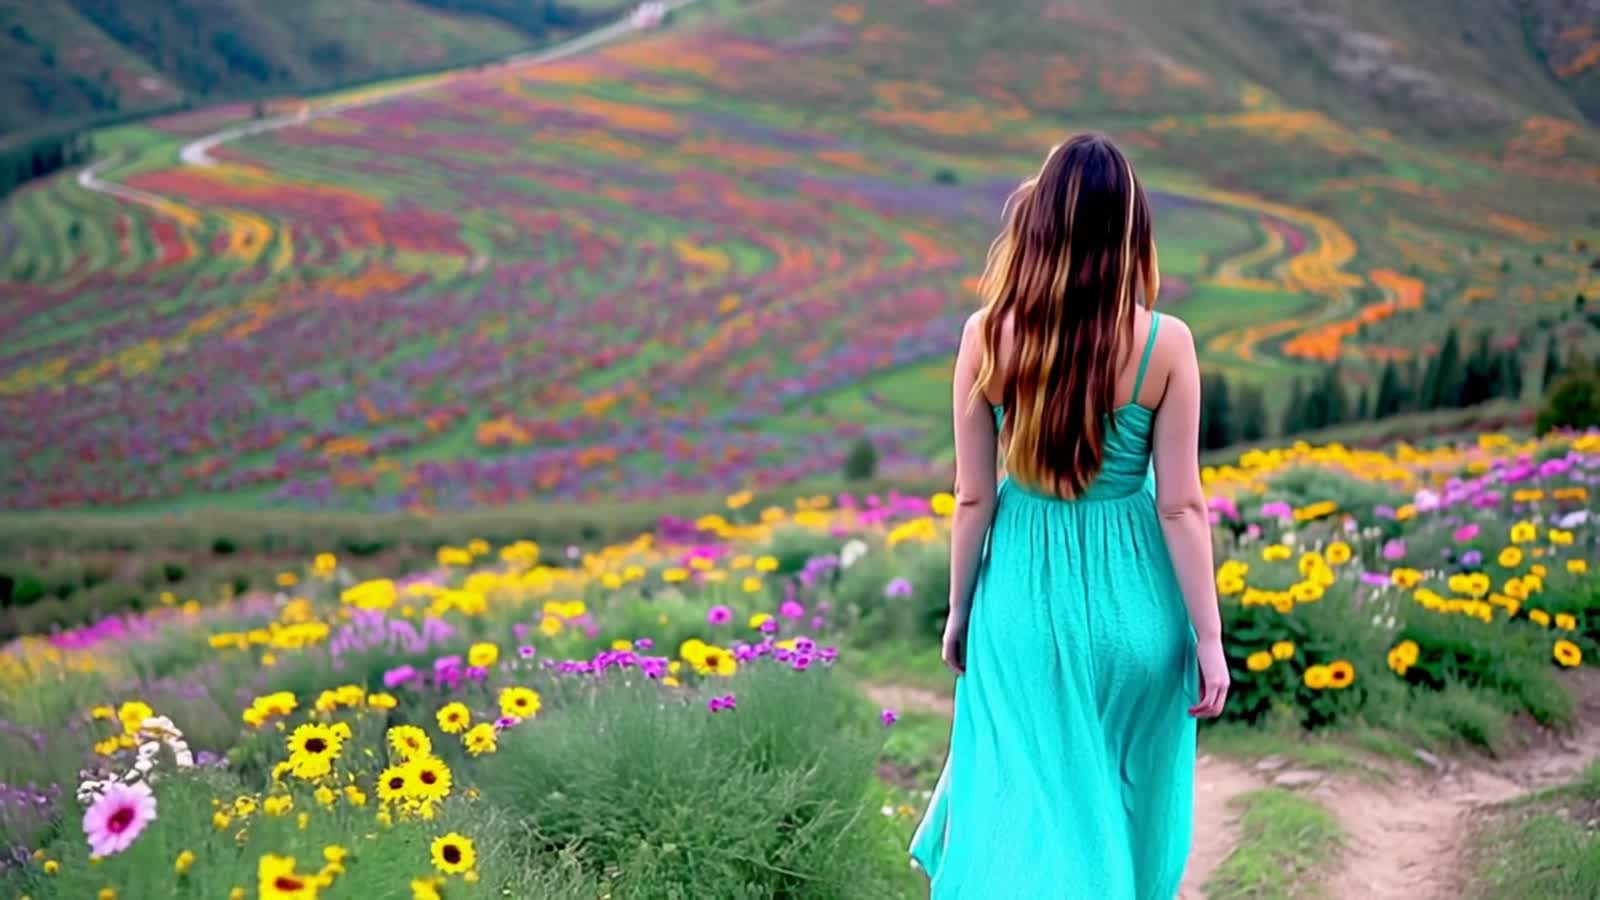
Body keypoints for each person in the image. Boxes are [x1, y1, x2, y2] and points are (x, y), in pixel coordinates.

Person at [909, 133, 1229, 899]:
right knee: (1123, 803)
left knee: (1029, 811)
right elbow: (1182, 503)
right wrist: (1209, 638)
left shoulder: (987, 334)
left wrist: (960, 611)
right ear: (1132, 229)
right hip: (1138, 610)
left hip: (1021, 600)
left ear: (1040, 221)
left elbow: (972, 497)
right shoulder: (1166, 343)